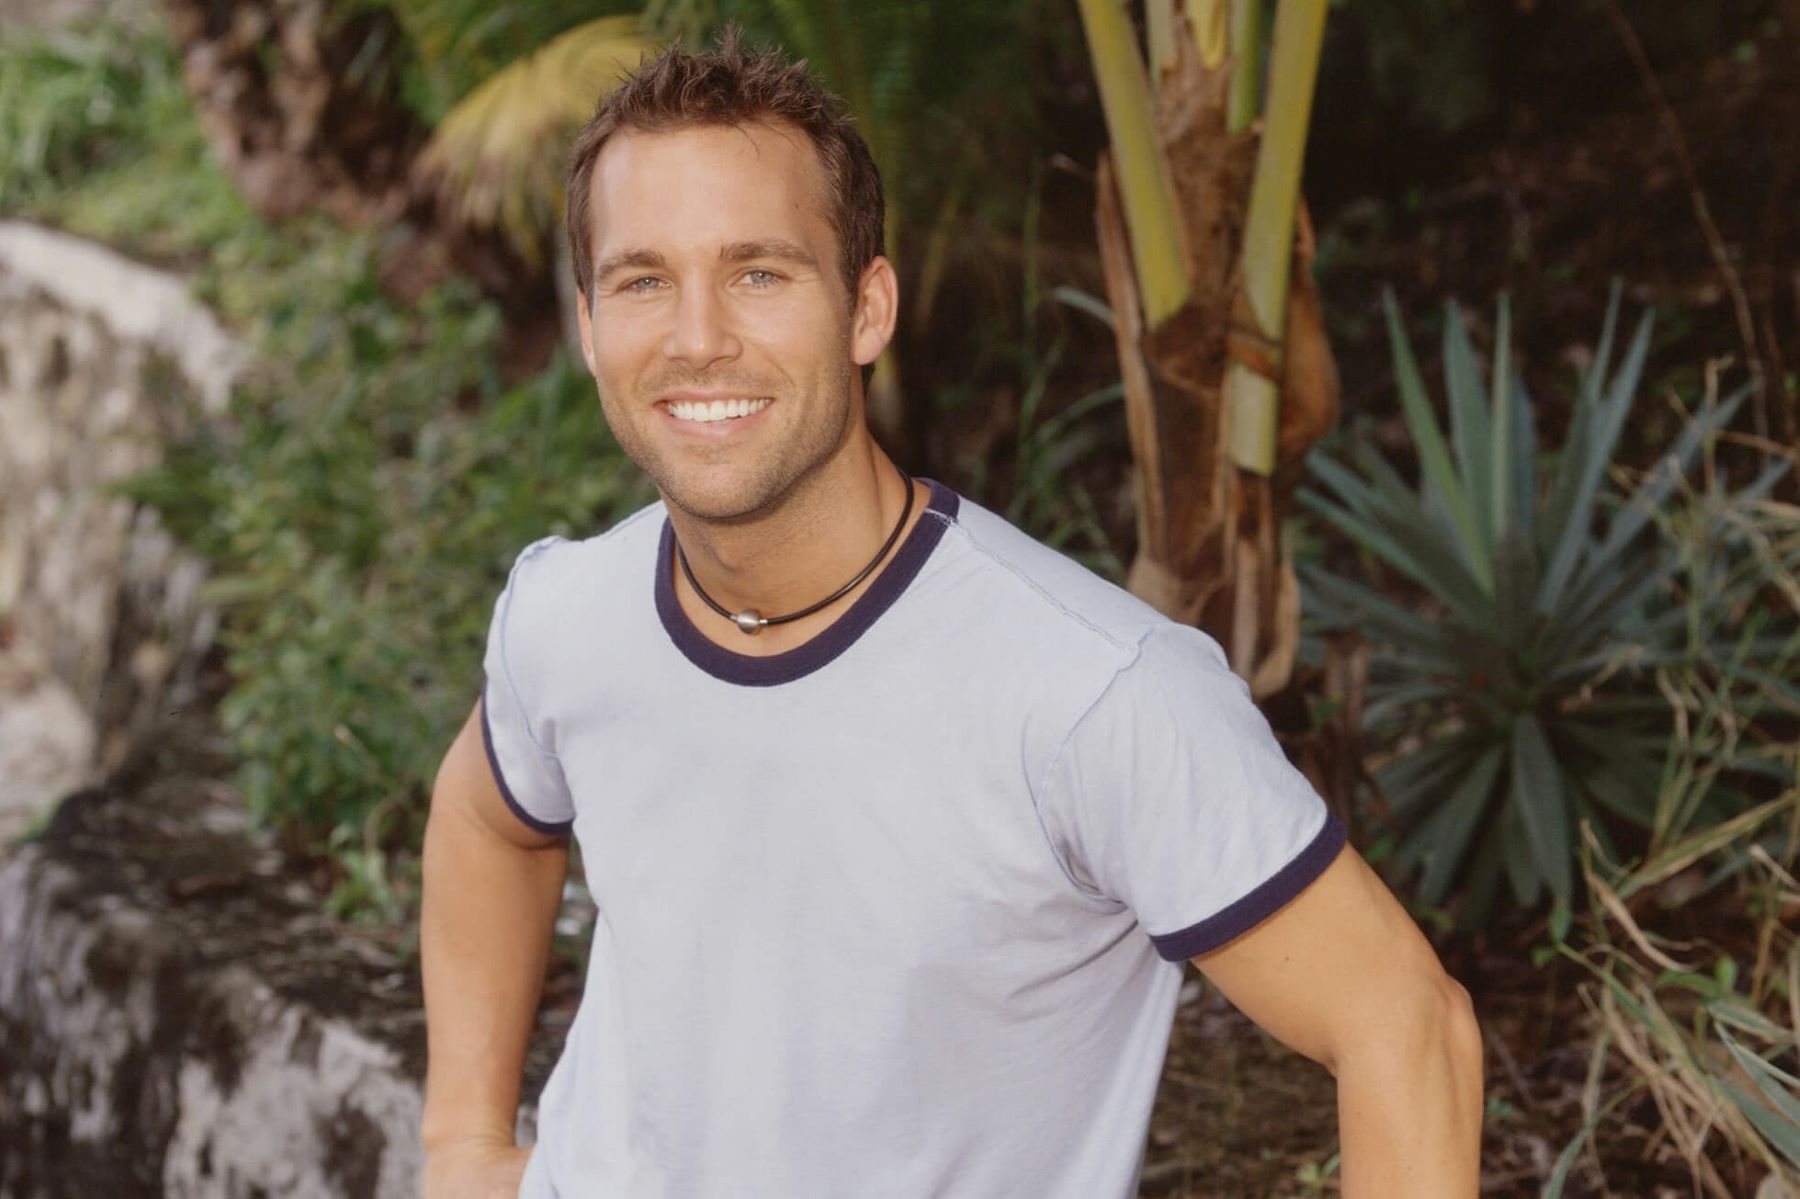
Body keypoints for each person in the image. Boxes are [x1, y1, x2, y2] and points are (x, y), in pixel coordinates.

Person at [419, 32, 1484, 1199]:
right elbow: (488, 816)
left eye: (760, 271)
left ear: (866, 306)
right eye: (642, 279)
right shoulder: (567, 614)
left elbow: (1405, 1024)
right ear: (587, 325)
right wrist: (462, 1146)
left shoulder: (1092, 690)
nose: (696, 336)